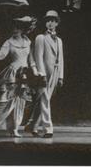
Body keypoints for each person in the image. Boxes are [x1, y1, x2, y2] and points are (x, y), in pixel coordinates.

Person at [0, 16, 36, 138]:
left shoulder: (28, 42)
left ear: (23, 29)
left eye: (18, 27)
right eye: (14, 27)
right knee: (4, 102)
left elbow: (31, 60)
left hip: (24, 75)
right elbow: (0, 57)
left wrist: (35, 70)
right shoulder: (9, 42)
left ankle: (15, 129)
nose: (15, 30)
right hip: (12, 75)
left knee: (20, 103)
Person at [26, 10, 64, 138]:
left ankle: (32, 125)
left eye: (53, 21)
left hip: (55, 74)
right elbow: (38, 57)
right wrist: (41, 75)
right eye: (48, 21)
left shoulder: (59, 40)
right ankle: (48, 128)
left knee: (42, 100)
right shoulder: (40, 38)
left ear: (57, 23)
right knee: (45, 100)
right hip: (43, 74)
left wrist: (60, 76)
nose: (50, 23)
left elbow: (61, 59)